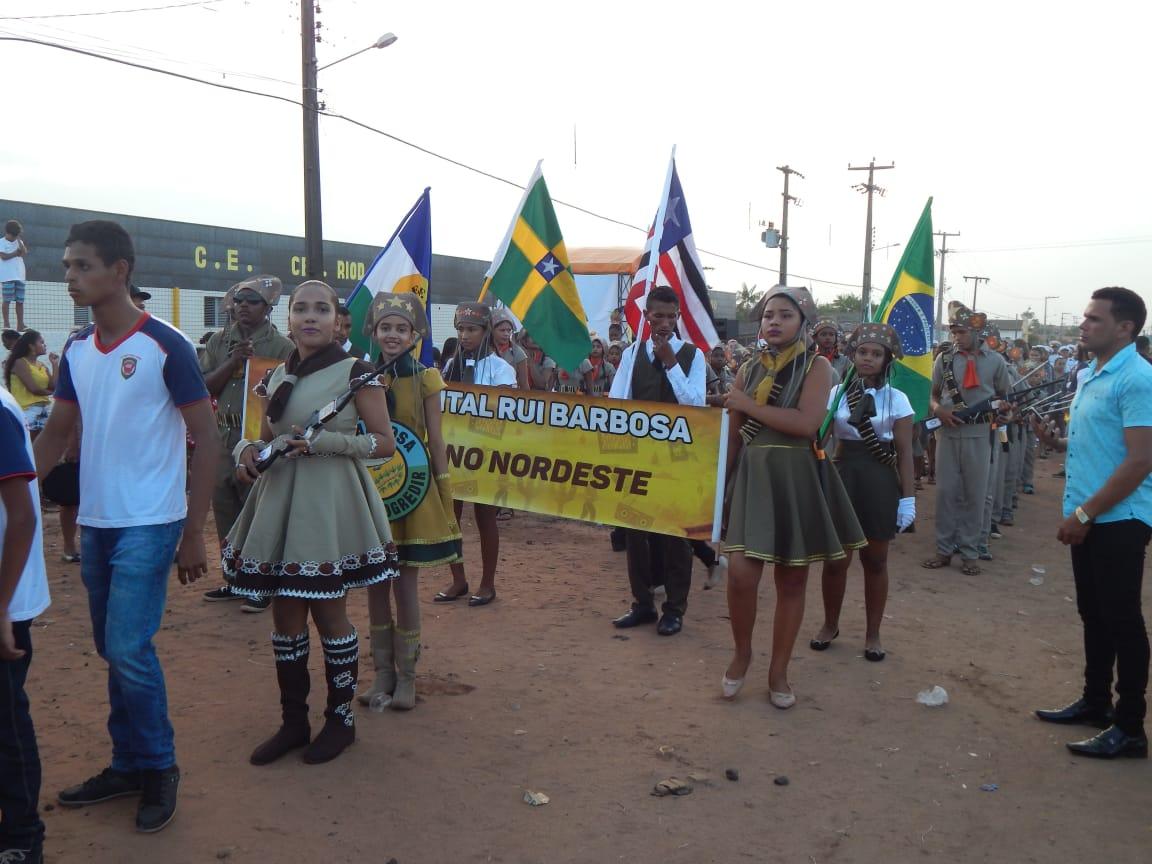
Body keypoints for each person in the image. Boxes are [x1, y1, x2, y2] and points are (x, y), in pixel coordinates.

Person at [33, 220, 219, 833]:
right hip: (97, 520)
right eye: (66, 267)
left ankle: (159, 766)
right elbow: (57, 433)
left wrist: (195, 531)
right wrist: (16, 489)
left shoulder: (166, 345)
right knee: (111, 648)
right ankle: (127, 764)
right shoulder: (78, 350)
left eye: (82, 266)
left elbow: (207, 436)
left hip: (152, 519)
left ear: (120, 270)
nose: (70, 278)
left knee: (129, 649)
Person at [226, 280, 399, 765]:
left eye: (321, 309)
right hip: (280, 499)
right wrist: (247, 455)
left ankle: (340, 722)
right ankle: (293, 722)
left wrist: (325, 444)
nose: (310, 317)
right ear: (289, 318)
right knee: (285, 617)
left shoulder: (355, 372)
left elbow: (383, 443)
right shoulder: (277, 374)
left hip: (329, 505)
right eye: (301, 308)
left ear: (336, 320)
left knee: (328, 613)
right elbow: (262, 438)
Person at [720, 285, 865, 707]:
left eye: (785, 314)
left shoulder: (817, 367)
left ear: (803, 321)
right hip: (754, 473)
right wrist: (722, 488)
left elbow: (805, 424)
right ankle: (742, 651)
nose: (774, 322)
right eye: (768, 315)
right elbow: (734, 433)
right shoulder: (750, 366)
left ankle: (779, 671)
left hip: (797, 472)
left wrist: (746, 402)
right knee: (741, 575)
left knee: (793, 577)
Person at [1033, 287, 1152, 759]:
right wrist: (1058, 443)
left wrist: (1084, 514)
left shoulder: (1138, 379)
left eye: (1094, 319)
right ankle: (1096, 703)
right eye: (1084, 318)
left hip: (1118, 517)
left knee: (1123, 620)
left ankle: (1129, 727)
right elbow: (1106, 444)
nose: (1083, 326)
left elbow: (1141, 461)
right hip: (1090, 513)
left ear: (1125, 327)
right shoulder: (1091, 374)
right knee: (1094, 614)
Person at [358, 293, 462, 711]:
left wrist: (443, 484)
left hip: (413, 494)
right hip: (374, 490)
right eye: (386, 328)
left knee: (405, 583)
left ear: (415, 335)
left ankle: (409, 677)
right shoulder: (362, 377)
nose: (393, 335)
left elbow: (435, 438)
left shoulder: (427, 378)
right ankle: (382, 673)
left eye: (401, 328)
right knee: (374, 584)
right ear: (375, 332)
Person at [811, 323, 915, 662]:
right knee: (836, 560)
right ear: (853, 356)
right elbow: (822, 437)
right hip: (843, 476)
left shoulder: (897, 399)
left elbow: (904, 454)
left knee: (875, 560)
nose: (868, 359)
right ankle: (830, 625)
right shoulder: (837, 393)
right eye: (862, 352)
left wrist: (908, 499)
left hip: (880, 481)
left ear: (887, 360)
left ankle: (873, 633)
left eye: (876, 354)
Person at [608, 285, 706, 637]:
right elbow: (617, 402)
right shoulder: (632, 354)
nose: (664, 322)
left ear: (678, 318)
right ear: (646, 316)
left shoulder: (693, 356)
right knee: (636, 532)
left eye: (670, 316)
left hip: (677, 461)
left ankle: (675, 609)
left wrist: (670, 364)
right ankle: (642, 603)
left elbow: (695, 405)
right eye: (657, 315)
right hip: (638, 455)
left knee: (675, 536)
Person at [199, 276, 294, 612]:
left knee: (258, 512)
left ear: (267, 308)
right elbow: (205, 387)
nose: (242, 307)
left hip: (258, 439)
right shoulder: (218, 342)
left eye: (252, 302)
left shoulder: (283, 347)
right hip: (223, 438)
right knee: (225, 509)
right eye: (239, 300)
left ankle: (261, 582)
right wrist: (234, 362)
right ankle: (235, 579)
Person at [435, 302, 516, 606]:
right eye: (460, 329)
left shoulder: (500, 368)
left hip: (485, 454)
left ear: (486, 332)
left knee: (485, 518)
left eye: (471, 329)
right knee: (450, 517)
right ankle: (458, 579)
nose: (464, 335)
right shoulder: (448, 367)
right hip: (453, 452)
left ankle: (488, 583)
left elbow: (505, 414)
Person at [922, 302, 1010, 576]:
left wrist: (1005, 412)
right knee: (947, 493)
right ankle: (944, 549)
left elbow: (1004, 398)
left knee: (975, 493)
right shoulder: (944, 359)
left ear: (975, 330)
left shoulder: (995, 361)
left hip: (981, 433)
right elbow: (933, 395)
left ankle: (971, 551)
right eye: (953, 332)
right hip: (948, 432)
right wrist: (939, 411)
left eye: (960, 332)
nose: (956, 337)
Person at [0, 383, 50, 864]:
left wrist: (1, 607)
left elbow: (22, 517)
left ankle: (20, 834)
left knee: (6, 723)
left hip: (6, 600)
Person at [3, 331, 58, 437]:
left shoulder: (42, 366)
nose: (44, 345)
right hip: (28, 410)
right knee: (31, 447)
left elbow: (54, 385)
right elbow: (33, 389)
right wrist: (52, 393)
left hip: (43, 409)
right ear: (31, 346)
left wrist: (55, 364)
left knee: (41, 448)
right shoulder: (20, 362)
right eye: (41, 342)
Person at [491, 308, 531, 389]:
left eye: (509, 330)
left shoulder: (518, 353)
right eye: (502, 330)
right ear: (492, 330)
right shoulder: (483, 349)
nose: (506, 334)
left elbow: (525, 385)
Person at [1, 220, 28, 332]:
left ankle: (20, 325)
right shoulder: (1, 242)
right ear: (7, 232)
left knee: (20, 301)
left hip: (20, 275)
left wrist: (19, 241)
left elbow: (24, 252)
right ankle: (6, 324)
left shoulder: (18, 241)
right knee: (7, 300)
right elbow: (3, 256)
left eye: (16, 235)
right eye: (13, 235)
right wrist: (15, 253)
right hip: (7, 276)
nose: (13, 238)